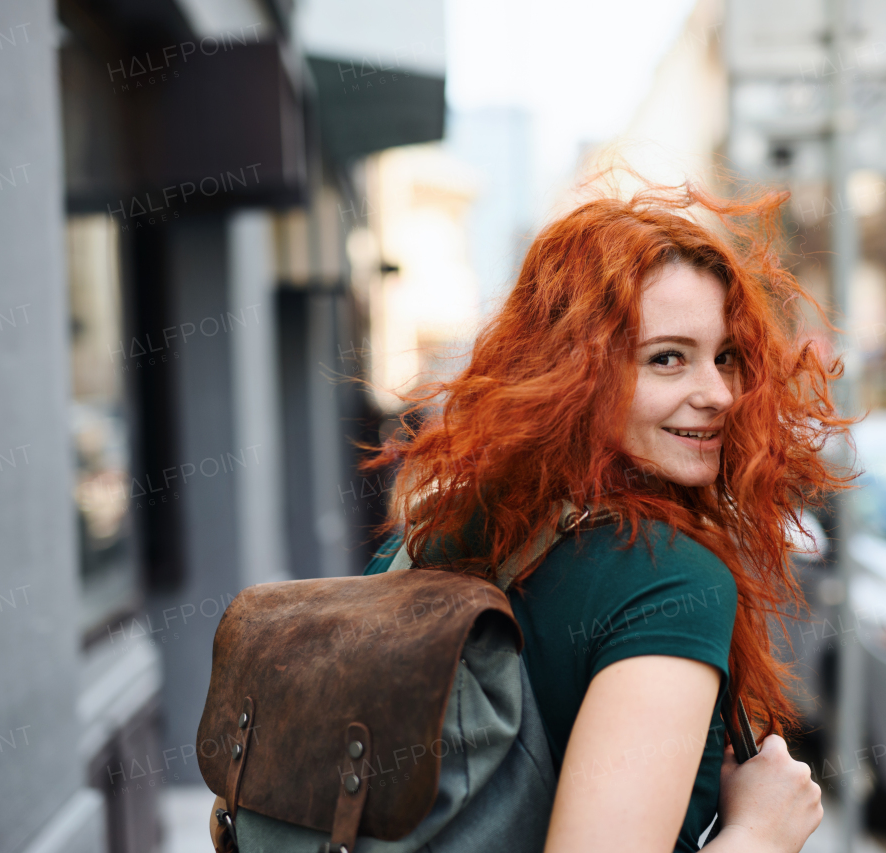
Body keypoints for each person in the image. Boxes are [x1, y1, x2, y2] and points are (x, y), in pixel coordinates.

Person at [361, 182, 848, 852]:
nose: (718, 393)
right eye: (667, 358)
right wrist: (761, 831)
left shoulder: (434, 533)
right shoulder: (668, 582)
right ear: (575, 371)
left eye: (726, 356)